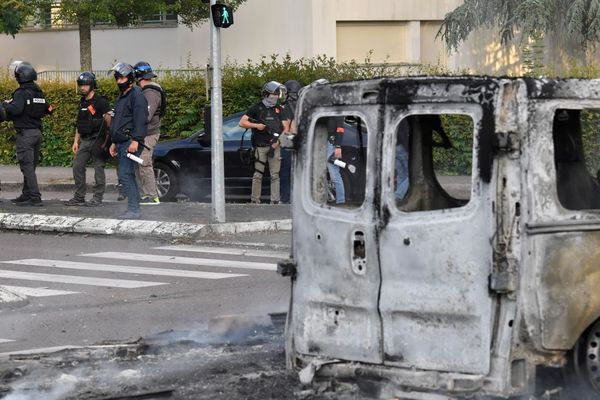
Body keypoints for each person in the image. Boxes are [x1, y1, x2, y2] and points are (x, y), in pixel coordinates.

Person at [2, 61, 53, 206]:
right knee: (31, 165)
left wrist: (6, 104)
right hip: (37, 133)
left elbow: (16, 110)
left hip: (25, 134)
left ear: (20, 78)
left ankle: (35, 197)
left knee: (26, 166)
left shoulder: (21, 93)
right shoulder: (39, 93)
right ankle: (26, 194)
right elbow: (48, 109)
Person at [108, 62, 149, 219]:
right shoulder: (121, 97)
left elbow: (140, 120)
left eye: (122, 78)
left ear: (130, 78)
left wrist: (135, 140)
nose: (119, 81)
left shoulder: (136, 95)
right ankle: (133, 207)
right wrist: (113, 141)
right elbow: (118, 121)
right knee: (126, 175)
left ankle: (134, 209)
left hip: (130, 141)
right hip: (121, 142)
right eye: (117, 78)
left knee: (126, 174)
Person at [239, 81, 290, 204]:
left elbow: (286, 129)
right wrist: (257, 126)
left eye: (277, 94)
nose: (275, 97)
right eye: (273, 94)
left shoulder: (279, 109)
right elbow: (242, 122)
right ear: (266, 94)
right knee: (258, 175)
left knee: (275, 175)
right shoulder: (256, 108)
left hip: (275, 146)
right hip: (260, 147)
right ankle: (255, 201)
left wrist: (278, 142)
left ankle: (275, 201)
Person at [65, 72, 111, 207]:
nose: (82, 88)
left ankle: (97, 198)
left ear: (92, 85)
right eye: (81, 85)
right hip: (85, 140)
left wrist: (108, 140)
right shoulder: (83, 102)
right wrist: (75, 141)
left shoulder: (101, 101)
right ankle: (79, 197)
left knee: (98, 168)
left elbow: (109, 120)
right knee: (77, 166)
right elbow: (80, 123)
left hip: (98, 139)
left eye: (85, 85)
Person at [134, 61, 164, 205]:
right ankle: (145, 194)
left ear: (138, 77)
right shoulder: (147, 91)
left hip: (149, 133)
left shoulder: (151, 92)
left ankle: (152, 196)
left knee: (144, 163)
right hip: (144, 133)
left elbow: (146, 115)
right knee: (138, 163)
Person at [280, 80, 302, 204]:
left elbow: (288, 128)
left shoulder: (288, 106)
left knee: (285, 172)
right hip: (301, 142)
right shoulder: (303, 104)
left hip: (289, 142)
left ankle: (285, 198)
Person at [326, 116, 346, 205]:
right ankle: (327, 197)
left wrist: (338, 146)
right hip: (323, 142)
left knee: (334, 175)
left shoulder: (337, 111)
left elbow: (340, 128)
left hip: (331, 144)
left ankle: (341, 201)